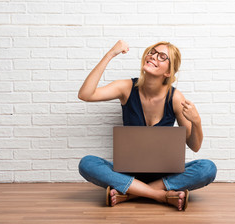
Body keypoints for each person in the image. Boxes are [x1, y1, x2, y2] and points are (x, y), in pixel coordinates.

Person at [78, 40, 217, 211]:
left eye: (162, 56)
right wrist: (110, 54)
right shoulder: (126, 88)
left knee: (207, 168)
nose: (153, 56)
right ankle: (160, 195)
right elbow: (85, 94)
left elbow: (194, 146)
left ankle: (130, 193)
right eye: (152, 52)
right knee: (87, 163)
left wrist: (197, 121)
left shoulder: (175, 98)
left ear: (168, 71)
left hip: (164, 174)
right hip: (128, 172)